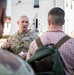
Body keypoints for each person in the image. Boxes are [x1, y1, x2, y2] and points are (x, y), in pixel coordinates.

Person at [27, 7, 74, 75]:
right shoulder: (72, 43)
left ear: (48, 21)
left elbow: (28, 69)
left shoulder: (34, 44)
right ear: (63, 22)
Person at [0, 0, 35, 75]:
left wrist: (29, 54)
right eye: (23, 21)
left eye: (27, 22)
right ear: (18, 23)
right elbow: (5, 54)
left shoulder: (35, 37)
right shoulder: (11, 38)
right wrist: (3, 47)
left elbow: (40, 52)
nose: (25, 24)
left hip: (29, 68)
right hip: (15, 70)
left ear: (29, 24)